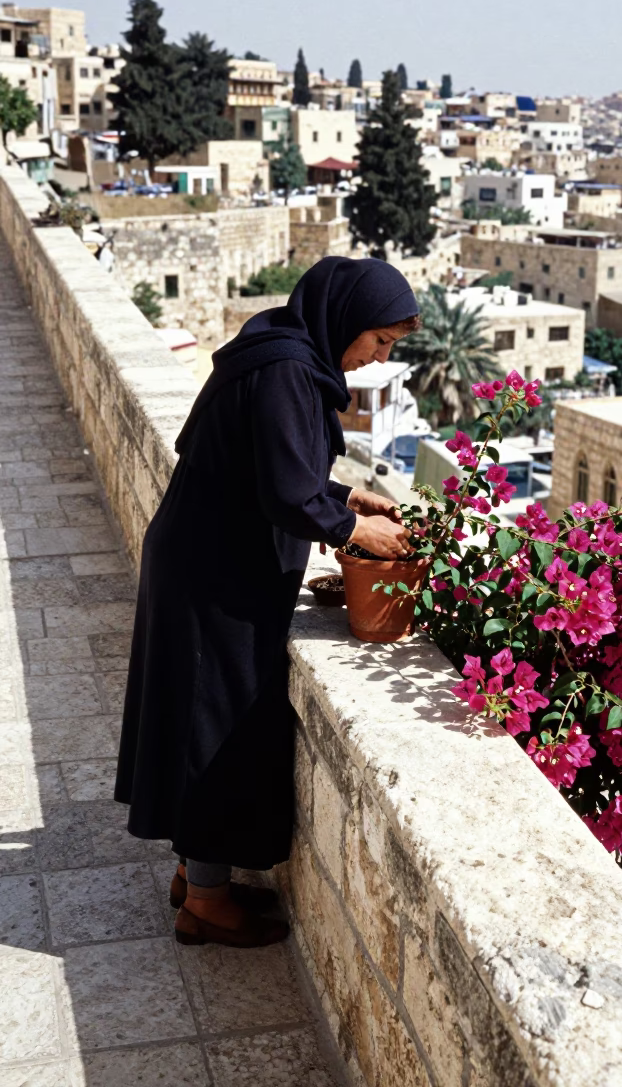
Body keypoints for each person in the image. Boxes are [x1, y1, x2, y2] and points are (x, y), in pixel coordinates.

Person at [115, 257, 419, 948]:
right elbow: (283, 491)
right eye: (378, 342)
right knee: (215, 726)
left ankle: (195, 873)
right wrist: (353, 527)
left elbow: (269, 465)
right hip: (215, 572)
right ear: (344, 317)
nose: (375, 360)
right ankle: (208, 901)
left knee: (199, 714)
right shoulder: (286, 369)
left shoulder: (281, 347)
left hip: (207, 557)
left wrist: (343, 496)